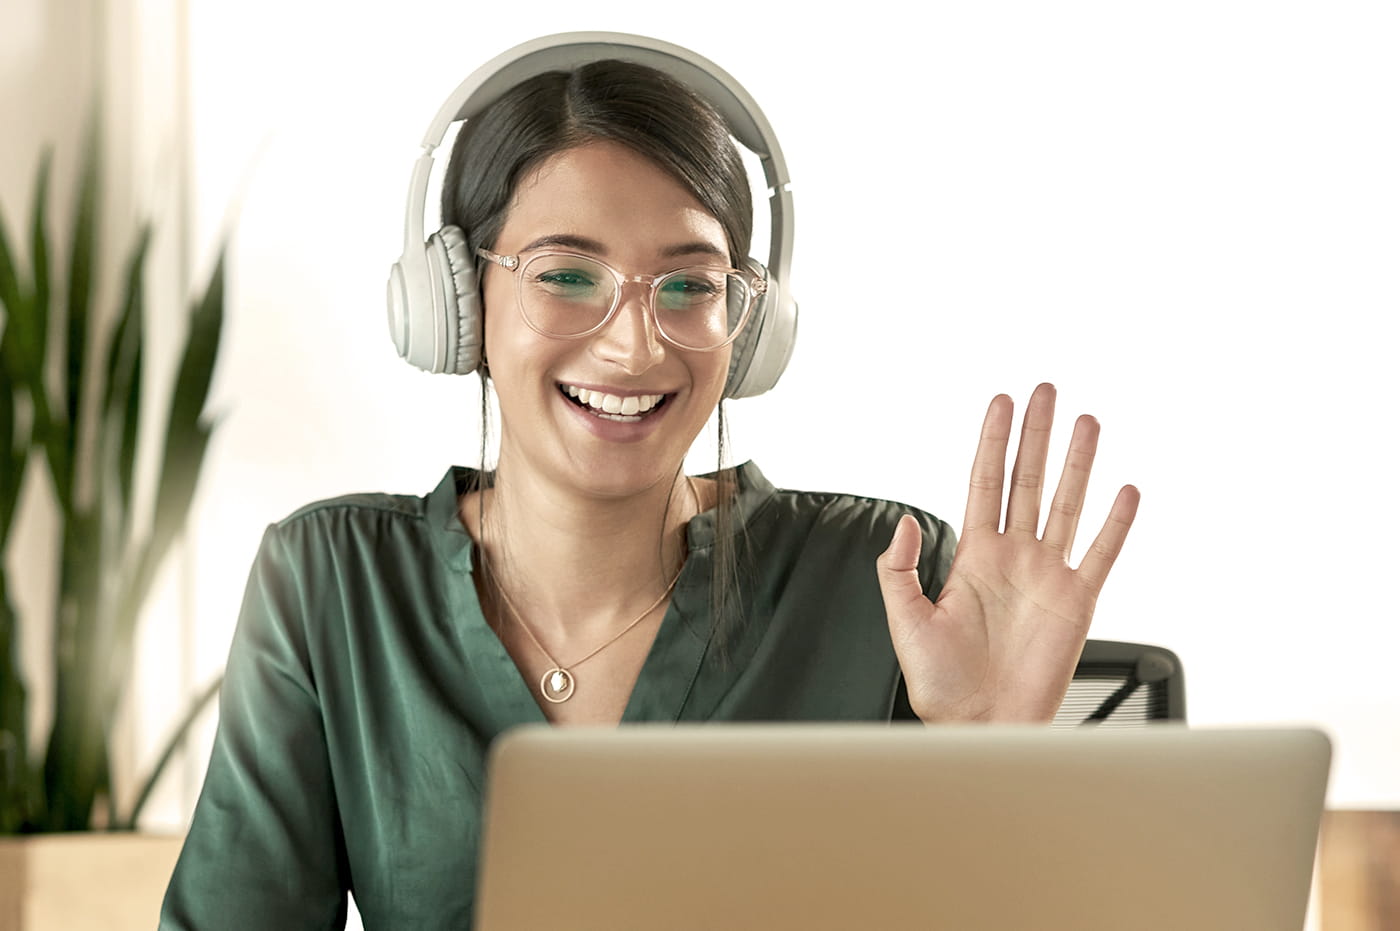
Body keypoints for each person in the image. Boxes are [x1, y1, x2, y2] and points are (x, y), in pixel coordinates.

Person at [159, 33, 1139, 930]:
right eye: (566, 275)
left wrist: (997, 757)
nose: (633, 345)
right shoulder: (332, 581)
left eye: (688, 285)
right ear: (455, 297)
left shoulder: (876, 577)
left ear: (746, 324)